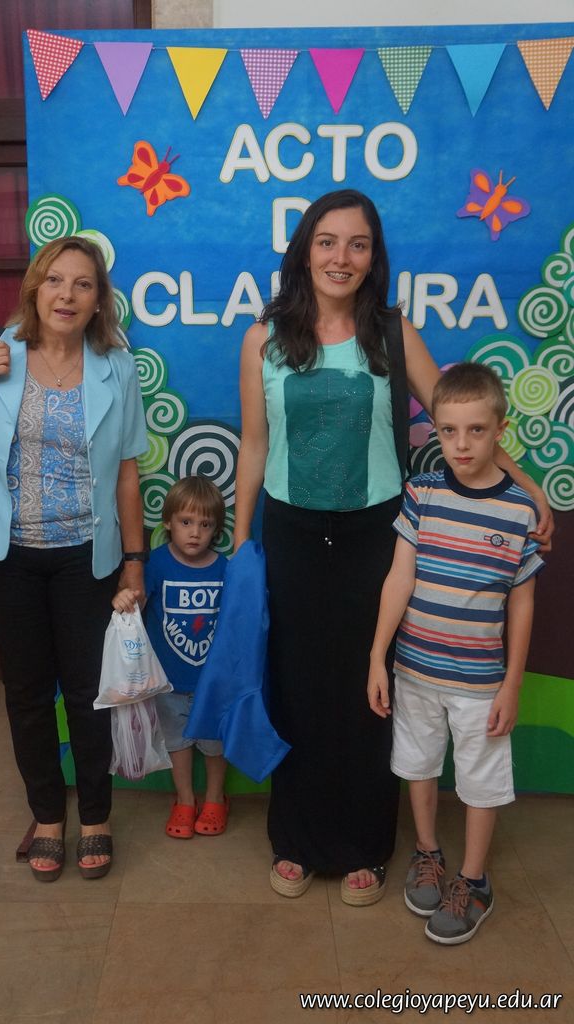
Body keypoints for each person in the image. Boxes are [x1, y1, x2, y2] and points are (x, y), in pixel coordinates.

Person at [233, 189, 552, 903]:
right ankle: (296, 840)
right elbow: (254, 445)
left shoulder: (392, 332)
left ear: (374, 257)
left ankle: (365, 846)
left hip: (376, 536)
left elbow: (454, 414)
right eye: (327, 241)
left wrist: (528, 486)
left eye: (358, 244)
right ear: (304, 251)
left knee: (369, 692)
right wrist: (241, 545)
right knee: (296, 685)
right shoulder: (263, 338)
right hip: (289, 534)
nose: (341, 257)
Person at [0, 236, 148, 882]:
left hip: (87, 558)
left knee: (89, 694)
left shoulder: (116, 367)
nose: (66, 295)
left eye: (82, 284)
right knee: (26, 693)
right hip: (8, 556)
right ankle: (47, 816)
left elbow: (127, 473)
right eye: (54, 280)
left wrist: (134, 562)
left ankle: (95, 817)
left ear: (98, 300)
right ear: (34, 288)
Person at [367, 362, 543, 943]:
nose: (461, 444)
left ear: (500, 431)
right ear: (436, 431)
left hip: (480, 683)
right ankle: (427, 852)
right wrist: (377, 657)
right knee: (418, 765)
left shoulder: (519, 511)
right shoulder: (423, 494)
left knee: (480, 782)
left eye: (476, 430)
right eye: (448, 431)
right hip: (415, 670)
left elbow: (521, 606)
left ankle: (473, 880)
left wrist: (512, 684)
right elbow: (399, 579)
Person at [114, 476, 230, 839]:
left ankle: (215, 798)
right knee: (177, 744)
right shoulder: (156, 564)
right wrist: (122, 598)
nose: (195, 532)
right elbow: (133, 605)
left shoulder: (225, 568)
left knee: (215, 745)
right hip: (168, 680)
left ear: (216, 529)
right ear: (168, 522)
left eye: (205, 524)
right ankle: (185, 800)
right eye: (186, 522)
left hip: (213, 684)